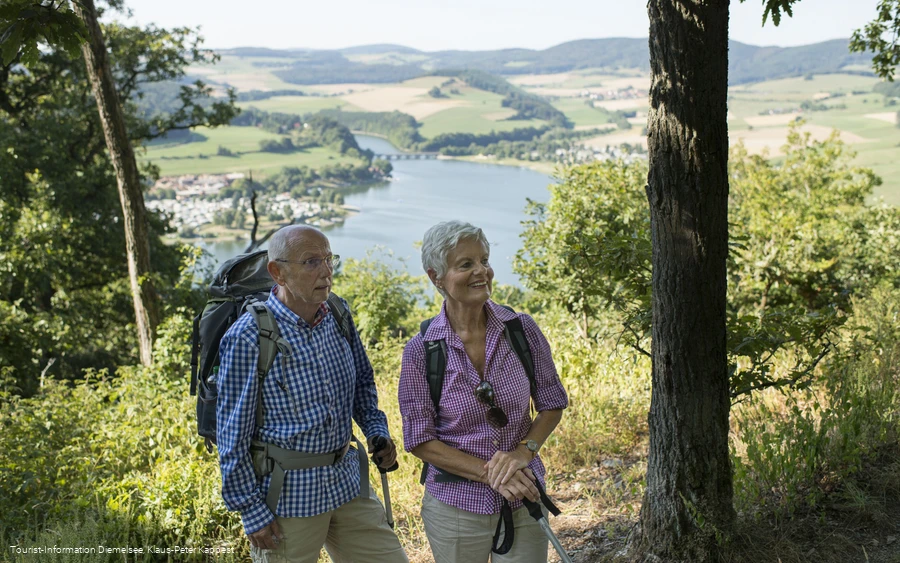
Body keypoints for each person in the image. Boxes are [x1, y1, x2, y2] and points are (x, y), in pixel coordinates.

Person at [216, 225, 408, 563]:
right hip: (287, 498)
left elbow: (363, 382)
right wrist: (250, 509)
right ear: (278, 272)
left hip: (346, 483)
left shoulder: (337, 314)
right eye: (311, 262)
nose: (326, 271)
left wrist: (376, 430)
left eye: (329, 259)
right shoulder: (248, 337)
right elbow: (232, 434)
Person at [398, 220, 568, 563]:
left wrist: (522, 454)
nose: (482, 271)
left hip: (524, 497)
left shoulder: (521, 329)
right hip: (456, 508)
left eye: (484, 260)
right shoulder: (421, 351)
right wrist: (493, 474)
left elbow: (551, 404)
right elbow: (420, 439)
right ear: (436, 277)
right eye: (466, 264)